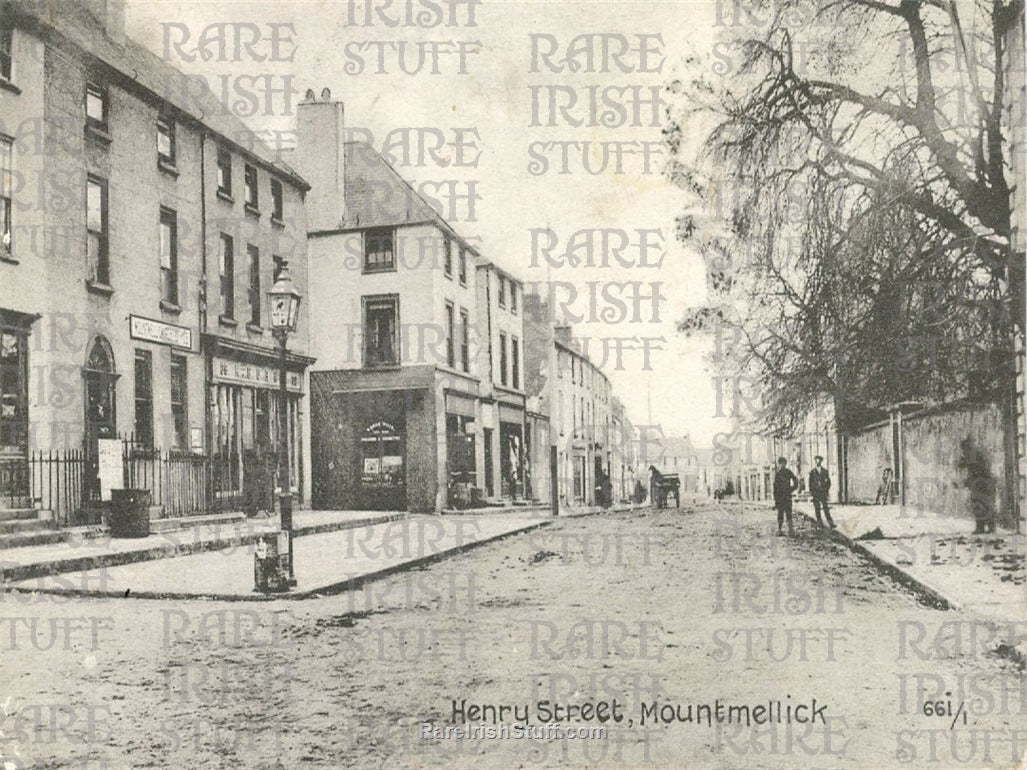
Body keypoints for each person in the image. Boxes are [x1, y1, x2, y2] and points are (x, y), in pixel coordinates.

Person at [773, 456, 798, 536]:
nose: (782, 465)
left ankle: (790, 530)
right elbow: (775, 488)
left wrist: (791, 489)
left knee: (788, 513)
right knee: (780, 514)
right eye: (780, 463)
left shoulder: (787, 472)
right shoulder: (778, 474)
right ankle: (780, 530)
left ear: (785, 464)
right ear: (779, 464)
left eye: (783, 463)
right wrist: (776, 499)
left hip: (786, 496)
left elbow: (795, 480)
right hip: (781, 497)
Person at [808, 455, 835, 529]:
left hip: (823, 493)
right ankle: (820, 524)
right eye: (816, 460)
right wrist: (812, 492)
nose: (817, 461)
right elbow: (810, 483)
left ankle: (831, 523)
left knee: (825, 508)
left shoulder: (825, 471)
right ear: (815, 461)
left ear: (821, 461)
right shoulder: (812, 472)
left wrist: (826, 490)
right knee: (817, 509)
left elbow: (828, 482)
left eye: (819, 460)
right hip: (816, 493)